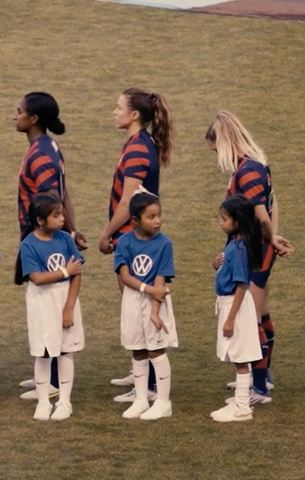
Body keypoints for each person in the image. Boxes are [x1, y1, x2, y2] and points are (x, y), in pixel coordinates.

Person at [206, 110, 293, 403]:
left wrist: (270, 239)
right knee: (260, 312)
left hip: (255, 251)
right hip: (254, 247)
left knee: (250, 318)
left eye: (216, 148)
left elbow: (259, 211)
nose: (216, 155)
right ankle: (261, 378)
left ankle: (257, 387)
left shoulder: (249, 170)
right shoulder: (253, 165)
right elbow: (273, 204)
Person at [101, 87, 174, 402]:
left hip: (136, 243)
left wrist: (107, 233)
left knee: (141, 310)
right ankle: (140, 373)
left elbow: (129, 199)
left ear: (134, 115)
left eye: (119, 107)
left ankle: (150, 385)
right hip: (133, 241)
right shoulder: (140, 144)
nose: (114, 112)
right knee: (137, 310)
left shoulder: (137, 149)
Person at [12, 92, 86, 401]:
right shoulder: (47, 147)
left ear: (34, 119)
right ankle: (47, 370)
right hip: (46, 238)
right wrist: (73, 227)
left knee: (48, 305)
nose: (14, 115)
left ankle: (53, 380)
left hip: (43, 243)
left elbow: (52, 201)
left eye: (19, 112)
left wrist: (64, 230)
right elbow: (64, 196)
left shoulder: (41, 154)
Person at [19, 192, 84, 421]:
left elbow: (78, 275)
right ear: (40, 220)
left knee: (66, 350)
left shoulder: (66, 239)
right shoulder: (28, 245)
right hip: (42, 303)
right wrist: (65, 272)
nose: (62, 218)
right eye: (56, 215)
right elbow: (36, 278)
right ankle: (44, 401)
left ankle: (64, 401)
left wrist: (68, 308)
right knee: (43, 352)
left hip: (64, 299)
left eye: (61, 214)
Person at [114, 189, 177, 420]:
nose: (157, 221)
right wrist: (148, 289)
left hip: (155, 301)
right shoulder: (124, 242)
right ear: (135, 220)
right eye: (151, 216)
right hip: (133, 298)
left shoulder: (164, 244)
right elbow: (125, 276)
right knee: (137, 348)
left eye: (159, 215)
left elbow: (160, 278)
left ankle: (163, 401)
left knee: (156, 349)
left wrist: (154, 311)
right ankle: (141, 399)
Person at [210, 195, 262, 423]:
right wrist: (217, 266)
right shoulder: (235, 243)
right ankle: (240, 400)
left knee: (241, 357)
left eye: (224, 219)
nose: (221, 223)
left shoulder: (239, 247)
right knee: (237, 355)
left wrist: (230, 319)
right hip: (230, 302)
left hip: (236, 305)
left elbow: (242, 284)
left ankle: (242, 407)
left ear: (237, 221)